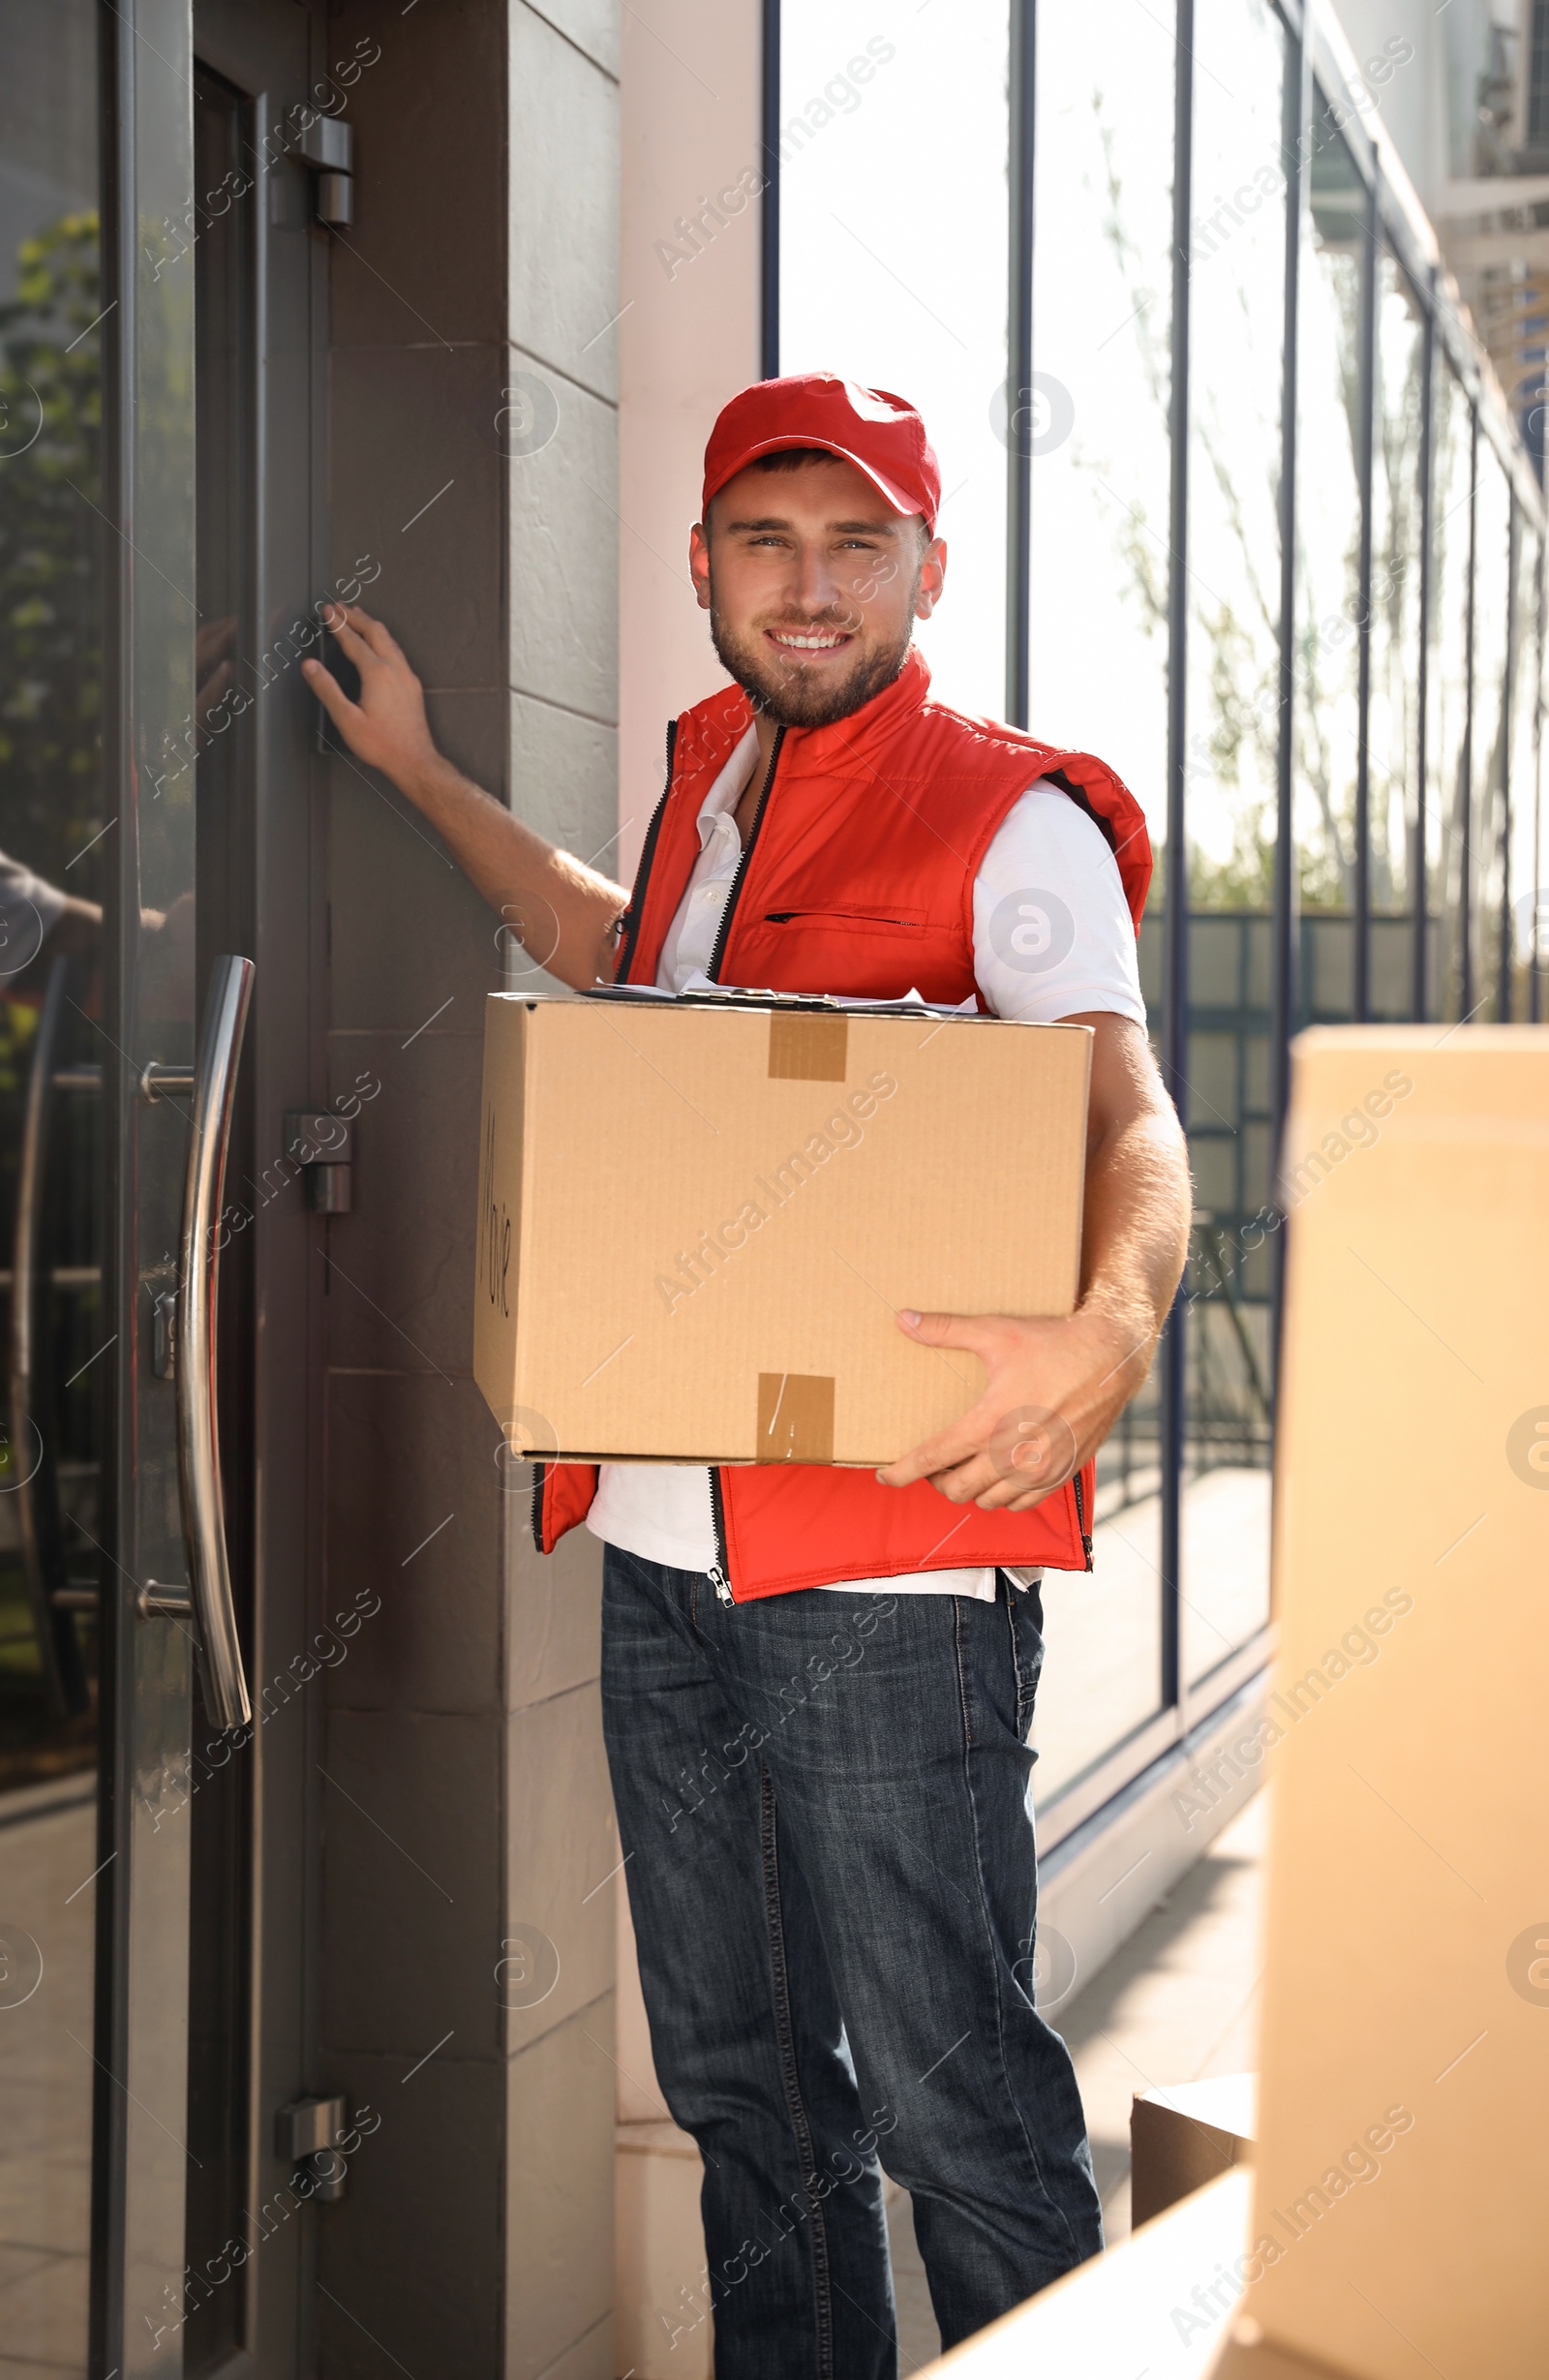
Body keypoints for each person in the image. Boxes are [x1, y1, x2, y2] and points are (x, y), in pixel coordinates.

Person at [304, 374, 1191, 2373]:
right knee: (742, 2086)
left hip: (885, 1573)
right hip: (662, 1552)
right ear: (703, 565)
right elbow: (623, 960)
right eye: (767, 544)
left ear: (922, 571)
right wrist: (422, 773)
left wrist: (1112, 1323)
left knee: (956, 2106)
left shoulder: (1009, 811)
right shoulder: (709, 783)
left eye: (852, 546)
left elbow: (1131, 1116)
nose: (808, 589)